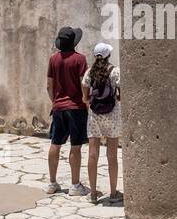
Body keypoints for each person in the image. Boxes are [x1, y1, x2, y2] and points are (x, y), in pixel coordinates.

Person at [46, 26, 89, 195]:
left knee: (55, 144)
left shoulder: (53, 59)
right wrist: (86, 103)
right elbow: (83, 84)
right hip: (76, 108)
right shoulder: (80, 60)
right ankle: (75, 185)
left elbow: (49, 86)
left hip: (58, 108)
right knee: (76, 146)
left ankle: (52, 183)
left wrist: (55, 101)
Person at [82, 42, 123, 204]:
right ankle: (113, 193)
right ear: (108, 56)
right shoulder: (115, 71)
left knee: (93, 154)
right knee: (112, 156)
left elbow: (85, 97)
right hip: (112, 116)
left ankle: (93, 194)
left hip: (95, 116)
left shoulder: (89, 72)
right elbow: (121, 94)